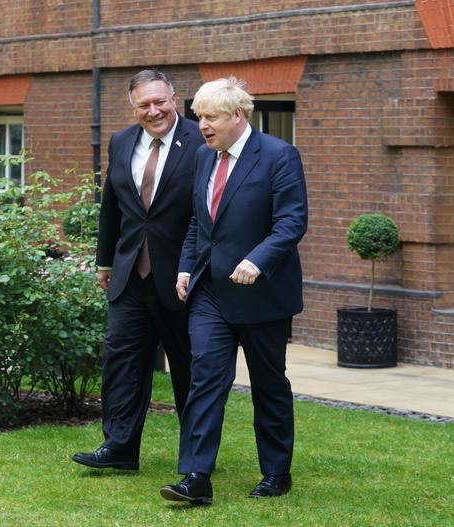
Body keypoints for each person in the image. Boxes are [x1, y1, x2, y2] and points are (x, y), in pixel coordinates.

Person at [160, 77, 308, 504]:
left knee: (268, 383)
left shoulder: (279, 156)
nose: (202, 126)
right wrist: (187, 268)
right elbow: (198, 225)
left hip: (262, 294)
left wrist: (257, 260)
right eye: (199, 117)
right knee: (205, 378)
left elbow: (291, 223)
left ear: (238, 116)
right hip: (211, 292)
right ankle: (195, 477)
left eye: (211, 118)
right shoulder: (206, 160)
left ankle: (276, 473)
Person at [72, 70, 204, 471]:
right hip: (130, 273)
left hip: (183, 276)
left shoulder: (201, 141)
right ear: (133, 107)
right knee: (122, 362)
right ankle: (119, 448)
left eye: (159, 101)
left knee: (188, 368)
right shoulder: (122, 141)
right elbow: (111, 205)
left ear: (174, 98)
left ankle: (196, 455)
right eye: (144, 104)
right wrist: (105, 259)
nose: (153, 110)